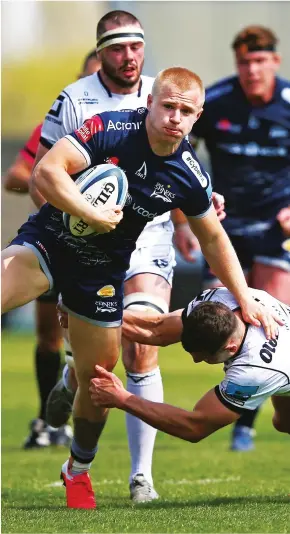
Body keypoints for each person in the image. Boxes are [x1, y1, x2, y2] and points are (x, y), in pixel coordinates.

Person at [2, 66, 280, 509]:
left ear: (197, 117)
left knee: (99, 381)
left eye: (185, 111)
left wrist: (245, 297)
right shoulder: (111, 128)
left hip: (102, 274)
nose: (174, 116)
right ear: (149, 102)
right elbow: (46, 173)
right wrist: (87, 213)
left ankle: (77, 470)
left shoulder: (189, 173)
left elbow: (213, 238)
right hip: (49, 242)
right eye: (167, 105)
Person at [29, 9, 225, 502]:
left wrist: (188, 222)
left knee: (142, 349)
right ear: (100, 51)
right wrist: (69, 240)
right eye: (117, 47)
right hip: (86, 235)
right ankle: (82, 364)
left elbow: (176, 174)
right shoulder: (74, 100)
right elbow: (45, 177)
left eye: (136, 46)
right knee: (107, 351)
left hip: (150, 236)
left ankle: (142, 478)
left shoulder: (168, 91)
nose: (129, 56)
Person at [175, 25, 290, 451]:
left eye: (260, 61)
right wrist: (183, 223)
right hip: (222, 228)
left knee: (272, 320)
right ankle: (236, 401)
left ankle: (245, 421)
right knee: (216, 318)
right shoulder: (218, 99)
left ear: (274, 62)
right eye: (244, 62)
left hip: (276, 231)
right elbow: (175, 155)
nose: (252, 69)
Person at [2, 50, 101, 449]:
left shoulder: (129, 128)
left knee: (90, 344)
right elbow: (20, 173)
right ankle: (47, 421)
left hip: (100, 249)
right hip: (53, 241)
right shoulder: (58, 120)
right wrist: (55, 190)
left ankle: (72, 424)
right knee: (48, 336)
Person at [89, 287, 290, 447]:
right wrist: (87, 318)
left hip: (279, 362)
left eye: (204, 357)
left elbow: (195, 426)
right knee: (284, 422)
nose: (195, 361)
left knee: (284, 422)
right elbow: (158, 329)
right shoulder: (219, 300)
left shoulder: (254, 370)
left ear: (231, 347)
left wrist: (122, 399)